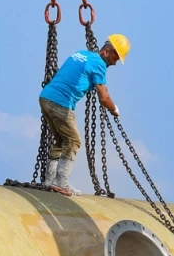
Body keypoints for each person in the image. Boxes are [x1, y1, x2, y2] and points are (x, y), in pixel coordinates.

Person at [38, 34, 129, 195]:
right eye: (116, 57)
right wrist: (114, 109)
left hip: (46, 98)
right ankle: (62, 183)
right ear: (107, 51)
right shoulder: (99, 64)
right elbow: (104, 98)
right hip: (61, 103)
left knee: (61, 140)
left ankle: (49, 181)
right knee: (73, 141)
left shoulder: (82, 54)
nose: (115, 63)